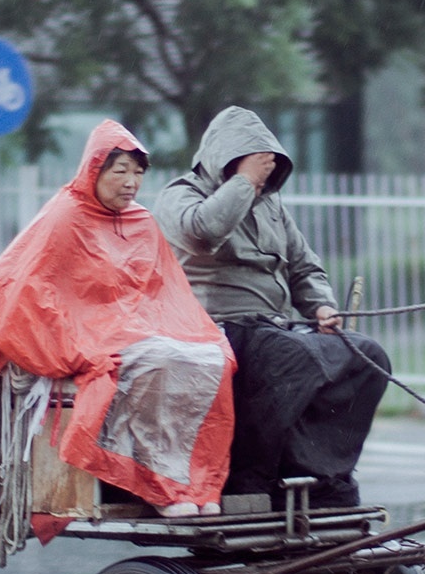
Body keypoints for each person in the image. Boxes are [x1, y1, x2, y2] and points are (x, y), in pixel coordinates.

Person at [0, 120, 234, 517]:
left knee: (211, 358)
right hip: (87, 336)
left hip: (131, 329)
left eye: (137, 173)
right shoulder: (65, 216)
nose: (131, 182)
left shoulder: (142, 222)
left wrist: (176, 333)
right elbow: (28, 294)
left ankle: (198, 486)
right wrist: (77, 345)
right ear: (95, 170)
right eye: (120, 171)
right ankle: (160, 490)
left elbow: (162, 294)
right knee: (155, 361)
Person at [154, 106, 389, 508]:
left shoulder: (271, 206)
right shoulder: (180, 195)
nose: (266, 175)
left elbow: (303, 265)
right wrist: (244, 182)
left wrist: (320, 306)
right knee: (294, 359)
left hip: (272, 328)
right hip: (219, 328)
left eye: (269, 167)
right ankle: (252, 478)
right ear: (225, 158)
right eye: (257, 164)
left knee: (367, 356)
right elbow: (203, 233)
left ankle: (321, 475)